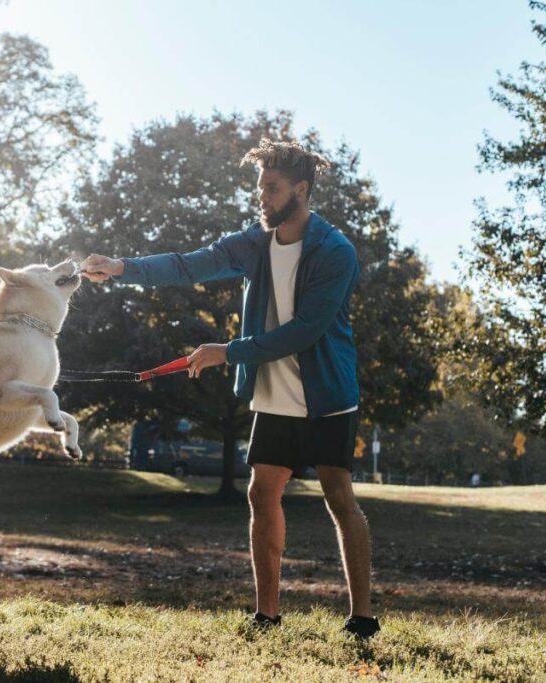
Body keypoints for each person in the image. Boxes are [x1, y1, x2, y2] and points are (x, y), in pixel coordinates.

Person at [80, 138, 380, 640]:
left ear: (300, 190)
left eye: (272, 188)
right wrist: (122, 268)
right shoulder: (253, 244)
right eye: (260, 188)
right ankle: (267, 614)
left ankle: (363, 616)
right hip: (275, 400)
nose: (262, 197)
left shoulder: (335, 252)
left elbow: (306, 329)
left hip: (327, 397)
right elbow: (187, 264)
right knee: (262, 496)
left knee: (339, 498)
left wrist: (228, 350)